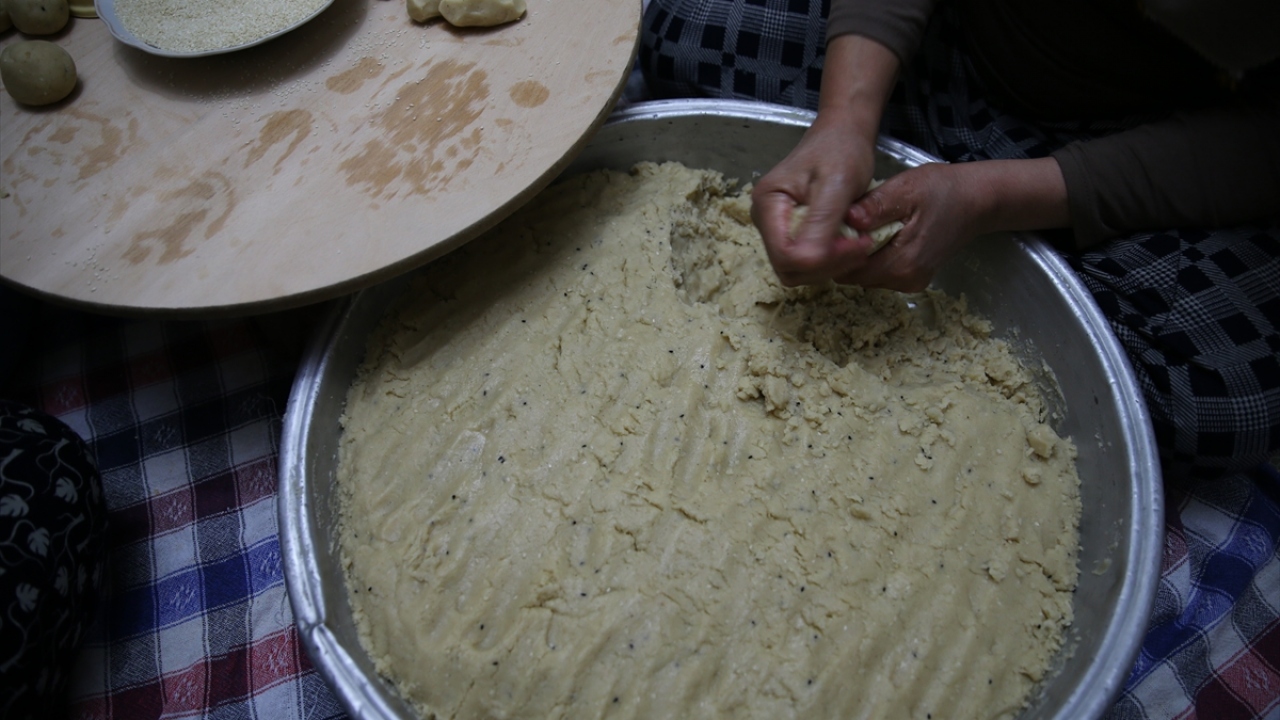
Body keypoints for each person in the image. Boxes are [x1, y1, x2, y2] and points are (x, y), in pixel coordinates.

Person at [639, 0, 1280, 482]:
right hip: (946, 52)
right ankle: (908, 154)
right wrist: (845, 115)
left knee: (1231, 394)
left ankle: (999, 214)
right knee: (675, 28)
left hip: (1157, 143)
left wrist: (994, 196)